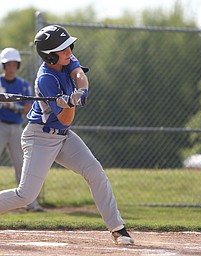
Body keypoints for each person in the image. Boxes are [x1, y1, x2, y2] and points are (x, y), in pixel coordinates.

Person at [0, 25, 134, 245]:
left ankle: (118, 228)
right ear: (50, 55)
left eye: (68, 46)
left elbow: (79, 74)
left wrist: (80, 92)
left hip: (63, 136)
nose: (69, 51)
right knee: (26, 195)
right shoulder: (46, 79)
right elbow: (65, 119)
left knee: (94, 171)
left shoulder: (67, 59)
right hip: (39, 137)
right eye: (63, 49)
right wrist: (69, 103)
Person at [0, 48, 44, 212]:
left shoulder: (23, 84)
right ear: (4, 65)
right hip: (0, 126)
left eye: (14, 64)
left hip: (17, 128)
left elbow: (27, 108)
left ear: (17, 65)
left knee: (22, 166)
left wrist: (11, 105)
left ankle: (30, 204)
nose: (11, 67)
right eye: (8, 64)